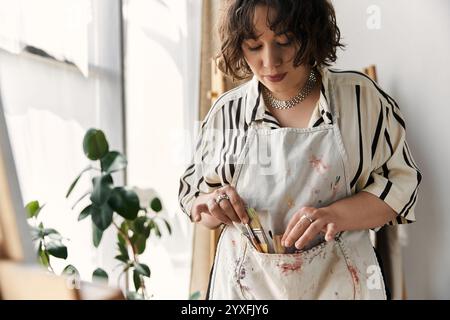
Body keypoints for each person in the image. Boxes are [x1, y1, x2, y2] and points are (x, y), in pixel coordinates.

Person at [178, 0, 421, 300]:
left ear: (311, 34)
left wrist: (334, 215)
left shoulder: (361, 100)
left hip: (343, 283)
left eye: (285, 41)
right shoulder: (226, 113)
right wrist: (213, 204)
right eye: (254, 46)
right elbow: (193, 197)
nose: (270, 61)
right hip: (245, 289)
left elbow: (402, 187)